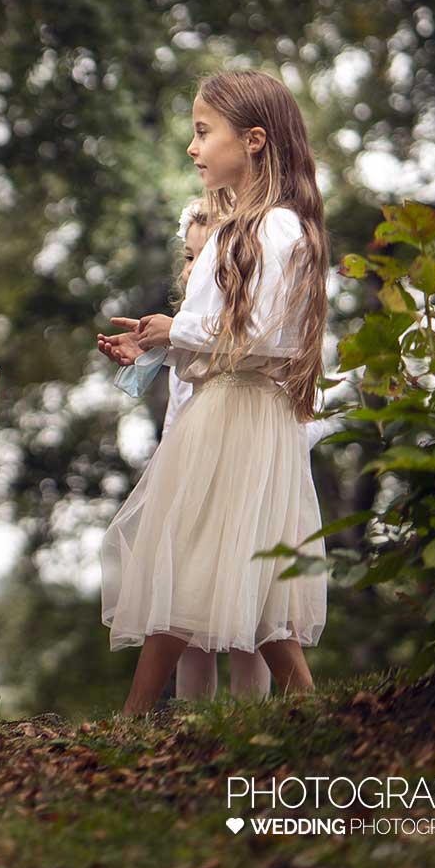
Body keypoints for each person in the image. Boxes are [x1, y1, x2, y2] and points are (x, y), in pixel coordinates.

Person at [100, 70, 331, 716]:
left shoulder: (274, 229)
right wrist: (162, 340)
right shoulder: (242, 229)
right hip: (228, 403)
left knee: (195, 553)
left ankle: (135, 716)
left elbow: (263, 337)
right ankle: (305, 711)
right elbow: (225, 333)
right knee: (219, 560)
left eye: (204, 132)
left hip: (240, 409)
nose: (192, 147)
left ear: (254, 140)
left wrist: (180, 328)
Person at [98, 201, 271, 702]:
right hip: (191, 467)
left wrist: (173, 339)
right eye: (189, 256)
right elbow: (183, 394)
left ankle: (249, 718)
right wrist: (152, 350)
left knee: (243, 609)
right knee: (188, 607)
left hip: (234, 469)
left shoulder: (242, 326)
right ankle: (195, 720)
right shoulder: (191, 329)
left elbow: (234, 360)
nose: (191, 269)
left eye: (204, 257)